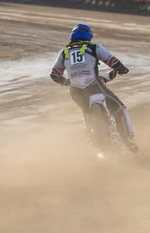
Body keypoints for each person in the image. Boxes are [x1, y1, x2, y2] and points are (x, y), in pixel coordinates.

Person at [49, 23, 138, 152]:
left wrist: (67, 82)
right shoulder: (95, 48)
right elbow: (112, 61)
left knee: (86, 112)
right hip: (94, 86)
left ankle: (93, 137)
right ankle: (127, 139)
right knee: (119, 108)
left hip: (75, 91)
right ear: (89, 35)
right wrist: (122, 69)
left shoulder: (64, 53)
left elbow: (54, 75)